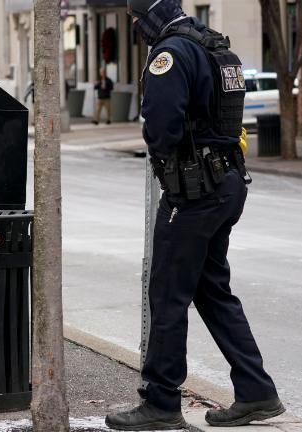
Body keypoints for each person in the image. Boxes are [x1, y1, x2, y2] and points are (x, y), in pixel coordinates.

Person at [105, 0, 284, 430]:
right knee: (211, 290)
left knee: (167, 293)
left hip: (193, 193)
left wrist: (167, 159)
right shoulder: (216, 46)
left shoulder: (171, 53)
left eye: (135, 18)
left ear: (149, 15)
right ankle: (257, 391)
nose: (135, 27)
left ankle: (161, 403)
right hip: (226, 185)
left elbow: (162, 127)